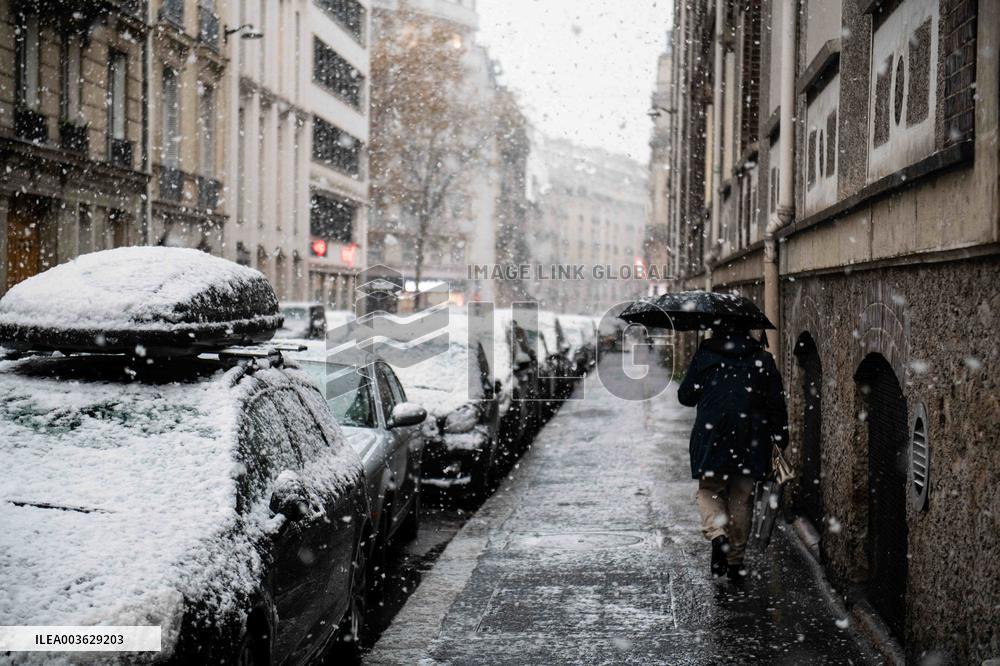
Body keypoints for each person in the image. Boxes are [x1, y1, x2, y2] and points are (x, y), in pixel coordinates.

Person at [677, 327, 788, 582]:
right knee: (742, 497)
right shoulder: (762, 359)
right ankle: (735, 561)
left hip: (711, 435)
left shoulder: (706, 355)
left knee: (709, 490)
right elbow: (776, 402)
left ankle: (718, 535)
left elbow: (685, 396)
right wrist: (781, 436)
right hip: (750, 436)